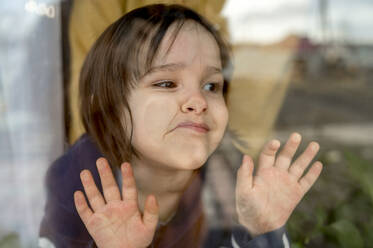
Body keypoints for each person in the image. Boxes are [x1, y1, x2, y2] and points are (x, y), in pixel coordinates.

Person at [39, 4, 323, 248]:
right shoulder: (77, 184)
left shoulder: (231, 182)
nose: (198, 101)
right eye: (166, 83)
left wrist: (262, 230)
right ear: (108, 105)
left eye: (212, 85)